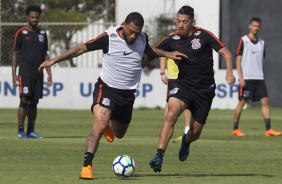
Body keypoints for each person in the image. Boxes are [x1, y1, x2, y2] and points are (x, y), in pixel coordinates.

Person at [38, 12, 187, 180]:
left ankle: (109, 124)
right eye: (130, 31)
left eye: (137, 33)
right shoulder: (109, 37)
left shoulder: (141, 38)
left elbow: (150, 49)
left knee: (120, 133)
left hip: (127, 95)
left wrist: (167, 54)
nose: (133, 36)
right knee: (99, 126)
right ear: (123, 24)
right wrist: (54, 60)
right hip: (106, 88)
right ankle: (87, 166)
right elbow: (81, 48)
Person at [149, 5, 236, 173]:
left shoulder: (203, 35)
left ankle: (186, 141)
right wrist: (163, 55)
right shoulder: (171, 39)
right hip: (183, 85)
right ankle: (158, 156)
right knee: (171, 113)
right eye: (178, 21)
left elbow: (226, 53)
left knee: (195, 132)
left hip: (205, 90)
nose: (180, 25)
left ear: (192, 22)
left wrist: (230, 73)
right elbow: (152, 50)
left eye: (184, 22)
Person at [232, 17, 282, 137]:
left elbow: (261, 60)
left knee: (265, 101)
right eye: (254, 26)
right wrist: (241, 77)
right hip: (246, 78)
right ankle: (235, 128)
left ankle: (268, 129)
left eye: (258, 26)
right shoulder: (243, 40)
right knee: (242, 102)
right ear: (250, 26)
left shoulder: (262, 42)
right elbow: (238, 60)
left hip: (259, 78)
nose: (256, 28)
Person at [12, 5, 52, 139]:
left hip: (38, 74)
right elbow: (15, 55)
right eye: (32, 17)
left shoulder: (42, 34)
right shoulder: (21, 33)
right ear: (27, 17)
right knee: (24, 100)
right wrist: (14, 75)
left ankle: (31, 131)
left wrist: (49, 74)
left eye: (37, 17)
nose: (34, 19)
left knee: (34, 102)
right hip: (25, 73)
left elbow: (45, 55)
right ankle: (20, 131)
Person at [159, 57, 191, 141]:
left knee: (187, 103)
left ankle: (187, 132)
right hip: (173, 77)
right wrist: (162, 72)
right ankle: (166, 133)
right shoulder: (170, 43)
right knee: (170, 106)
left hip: (188, 76)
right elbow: (163, 54)